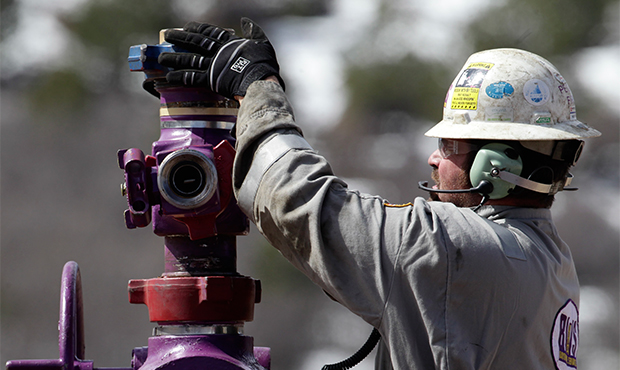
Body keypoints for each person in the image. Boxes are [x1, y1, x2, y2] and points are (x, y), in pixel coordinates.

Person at [158, 18, 601, 369]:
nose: (433, 158)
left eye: (449, 145)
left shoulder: (455, 249)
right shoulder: (550, 261)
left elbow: (295, 199)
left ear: (495, 165)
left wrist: (258, 88)